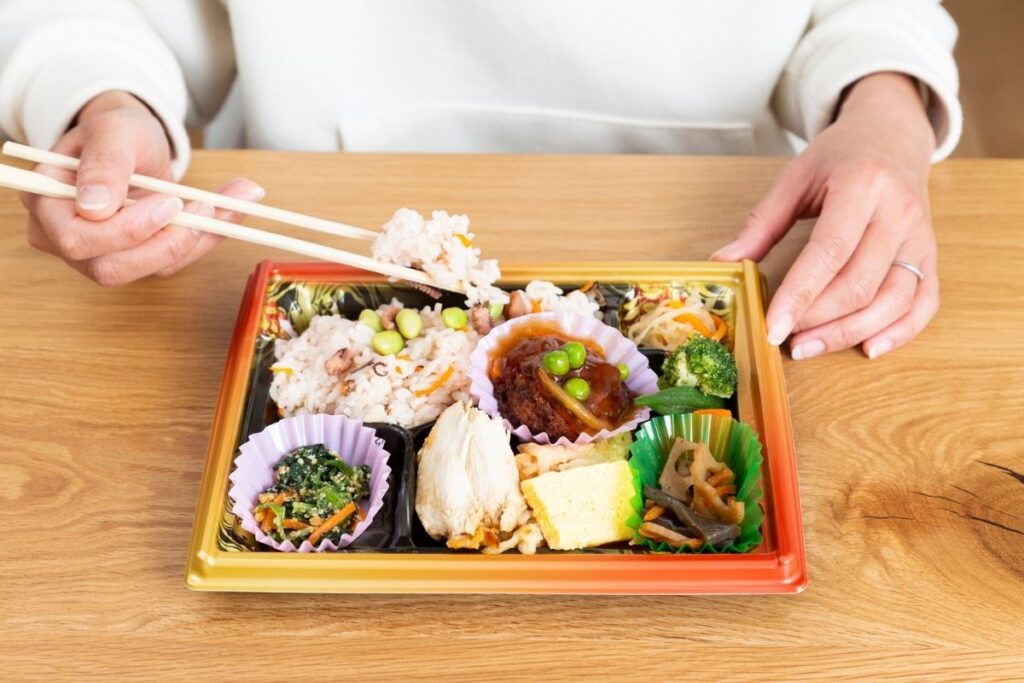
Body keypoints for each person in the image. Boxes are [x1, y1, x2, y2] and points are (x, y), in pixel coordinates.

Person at [0, 1, 961, 360]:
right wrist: (98, 98)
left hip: (715, 226)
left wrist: (887, 102)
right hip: (311, 232)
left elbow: (870, 10)